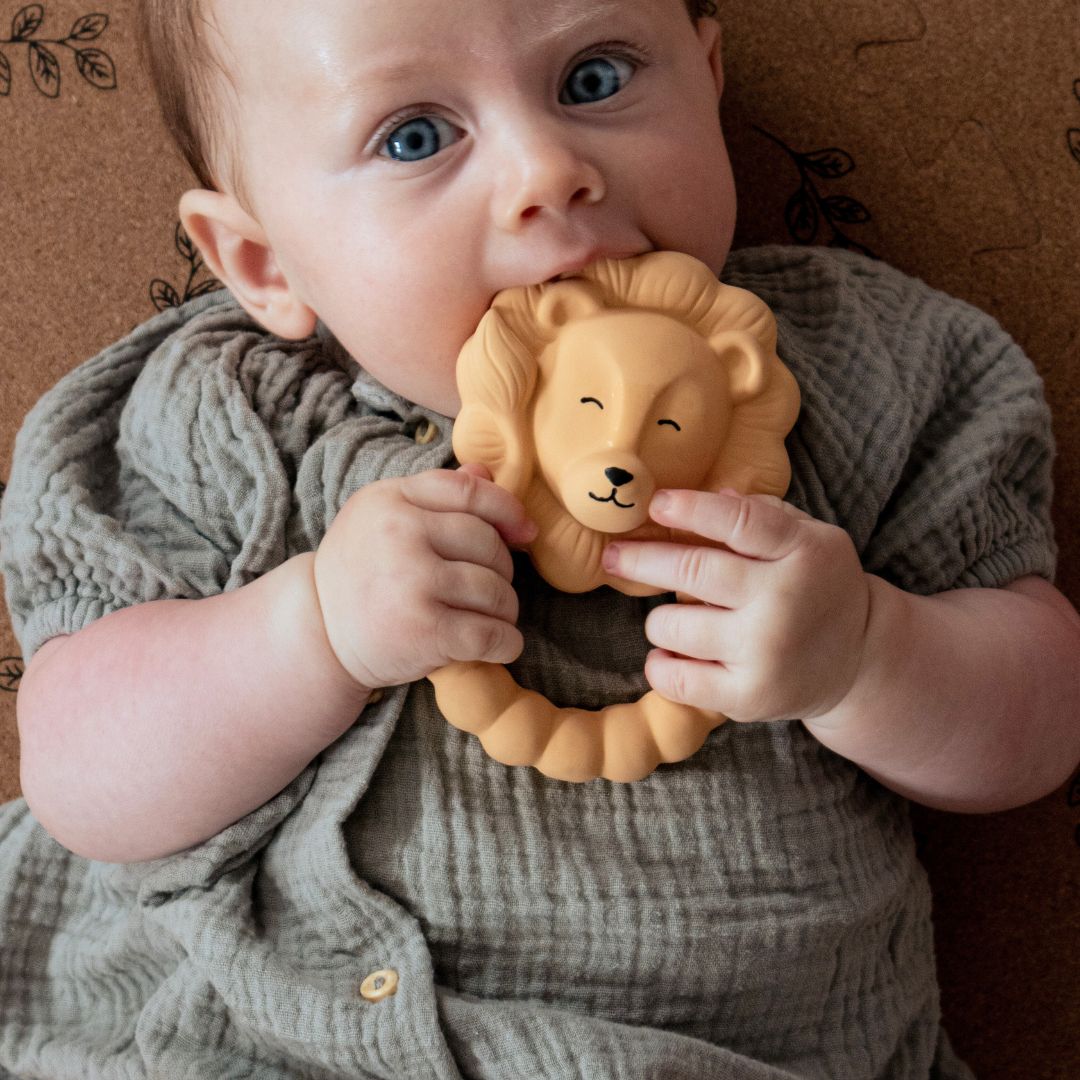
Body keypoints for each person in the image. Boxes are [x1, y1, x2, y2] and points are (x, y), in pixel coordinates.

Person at [0, 0, 1077, 1075]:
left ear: (706, 81)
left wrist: (868, 655)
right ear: (263, 261)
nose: (547, 171)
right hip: (272, 1036)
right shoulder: (217, 412)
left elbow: (1043, 712)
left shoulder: (871, 365)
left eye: (596, 77)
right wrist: (310, 630)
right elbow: (81, 772)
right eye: (415, 136)